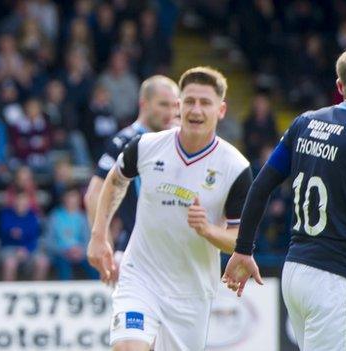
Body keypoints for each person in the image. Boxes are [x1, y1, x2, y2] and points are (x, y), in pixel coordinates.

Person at [223, 44, 346, 351]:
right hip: (334, 280)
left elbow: (261, 186)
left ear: (340, 85)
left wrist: (243, 249)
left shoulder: (304, 123)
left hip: (296, 271)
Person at [88, 67, 253, 351]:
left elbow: (239, 240)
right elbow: (114, 181)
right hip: (141, 276)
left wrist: (208, 230)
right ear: (180, 106)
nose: (196, 109)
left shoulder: (235, 168)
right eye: (189, 101)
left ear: (221, 110)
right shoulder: (145, 146)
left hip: (192, 291)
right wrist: (99, 236)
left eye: (205, 103)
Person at [84, 75, 179, 273]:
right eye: (163, 105)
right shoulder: (125, 141)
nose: (170, 113)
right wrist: (103, 242)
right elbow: (93, 195)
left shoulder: (179, 142)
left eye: (174, 106)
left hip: (175, 250)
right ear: (143, 103)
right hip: (136, 253)